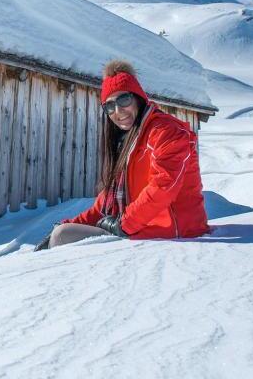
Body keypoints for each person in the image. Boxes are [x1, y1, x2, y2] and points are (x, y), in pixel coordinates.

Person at [36, 59, 210, 250]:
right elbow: (102, 206)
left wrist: (124, 224)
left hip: (175, 233)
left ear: (138, 98)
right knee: (62, 231)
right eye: (109, 106)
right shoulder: (129, 141)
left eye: (123, 100)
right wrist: (66, 223)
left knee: (63, 236)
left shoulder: (166, 131)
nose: (118, 111)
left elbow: (164, 185)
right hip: (139, 229)